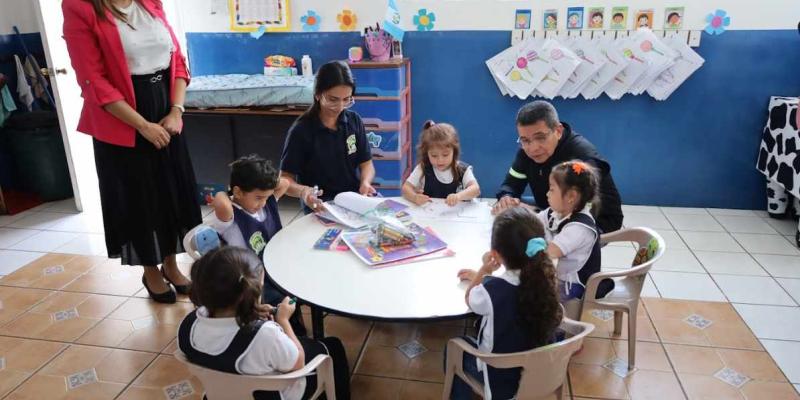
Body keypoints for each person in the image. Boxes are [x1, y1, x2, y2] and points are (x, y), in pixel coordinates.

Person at [63, 0, 201, 303]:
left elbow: (177, 60)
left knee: (170, 193)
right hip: (123, 118)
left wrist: (176, 110)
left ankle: (171, 265)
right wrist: (142, 125)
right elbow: (93, 80)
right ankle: (151, 270)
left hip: (165, 108)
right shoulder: (80, 8)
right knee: (141, 199)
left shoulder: (150, 3)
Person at [178, 247, 350, 400]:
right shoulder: (266, 335)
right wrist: (283, 320)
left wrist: (251, 312)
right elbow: (298, 362)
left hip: (220, 394)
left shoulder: (187, 326)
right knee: (333, 346)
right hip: (273, 395)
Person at [449, 207, 562, 400]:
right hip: (540, 376)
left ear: (495, 254)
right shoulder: (547, 280)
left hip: (502, 382)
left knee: (453, 350)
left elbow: (469, 298)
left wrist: (484, 270)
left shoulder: (492, 290)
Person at [493, 100, 623, 233]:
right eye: (525, 140)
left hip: (593, 222)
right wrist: (506, 198)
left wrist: (534, 212)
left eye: (540, 138)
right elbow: (511, 184)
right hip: (551, 208)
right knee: (509, 209)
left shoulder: (582, 157)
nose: (533, 148)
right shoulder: (526, 152)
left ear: (558, 131)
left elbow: (582, 210)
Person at [280, 61, 376, 213]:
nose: (340, 107)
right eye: (333, 99)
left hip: (353, 199)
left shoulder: (354, 121)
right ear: (318, 94)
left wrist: (365, 182)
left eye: (346, 99)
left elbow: (366, 164)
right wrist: (304, 192)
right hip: (320, 204)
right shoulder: (301, 131)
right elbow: (285, 179)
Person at [537, 161, 608, 301]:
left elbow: (550, 253)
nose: (547, 194)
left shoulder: (579, 228)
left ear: (571, 196)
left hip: (574, 284)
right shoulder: (557, 212)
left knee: (531, 295)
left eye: (552, 189)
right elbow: (532, 221)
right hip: (558, 275)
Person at [401, 120, 480, 206]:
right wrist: (415, 197)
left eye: (445, 155)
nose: (440, 160)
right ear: (427, 153)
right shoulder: (423, 168)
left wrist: (458, 196)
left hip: (458, 213)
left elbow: (476, 189)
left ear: (454, 152)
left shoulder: (462, 170)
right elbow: (406, 188)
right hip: (430, 213)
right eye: (434, 156)